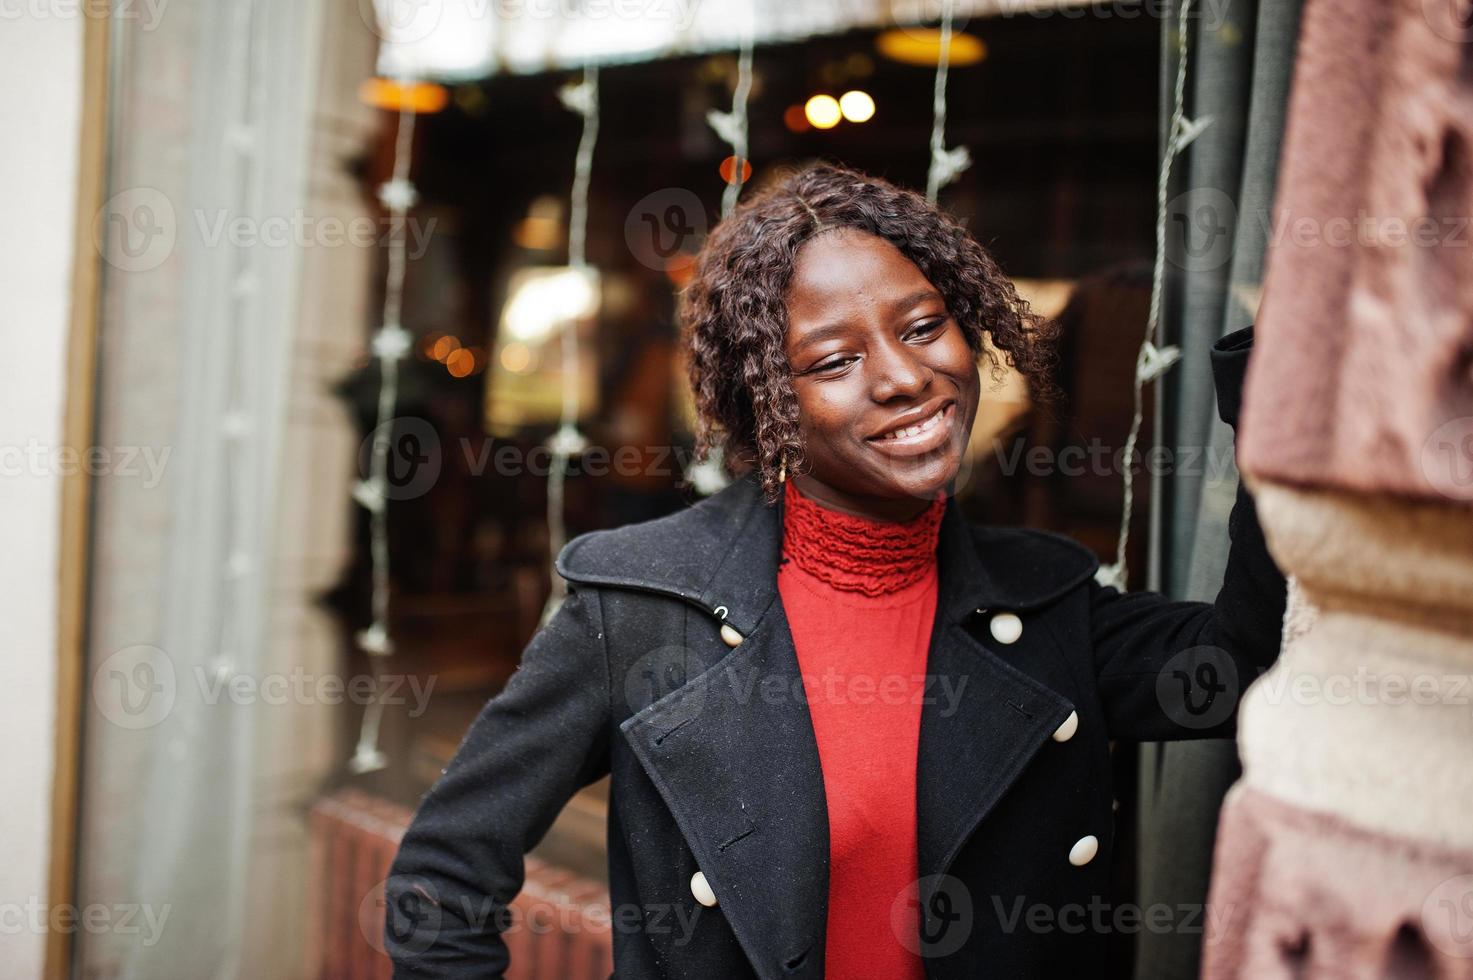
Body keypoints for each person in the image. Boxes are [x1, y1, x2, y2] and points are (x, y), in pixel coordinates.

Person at [384, 163, 1287, 979]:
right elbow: (442, 884)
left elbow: (1237, 664)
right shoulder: (643, 607)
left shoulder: (1044, 602)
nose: (902, 377)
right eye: (833, 361)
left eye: (923, 326)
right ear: (767, 403)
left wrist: (1281, 389)